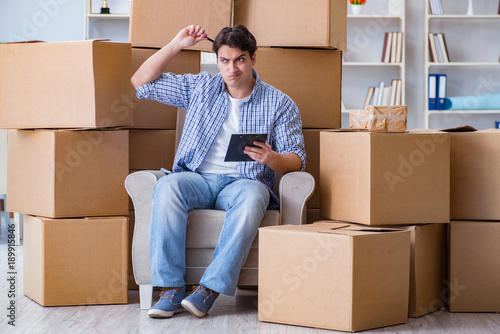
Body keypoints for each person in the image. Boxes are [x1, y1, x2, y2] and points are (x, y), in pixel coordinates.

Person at [131, 24, 306, 319]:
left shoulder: (280, 102)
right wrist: (176, 44)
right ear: (217, 61)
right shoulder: (201, 88)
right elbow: (141, 82)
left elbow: (297, 160)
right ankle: (171, 290)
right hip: (197, 178)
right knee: (167, 186)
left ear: (253, 58)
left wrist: (272, 158)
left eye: (239, 59)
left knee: (253, 196)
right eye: (224, 60)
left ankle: (207, 290)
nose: (232, 68)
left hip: (243, 183)